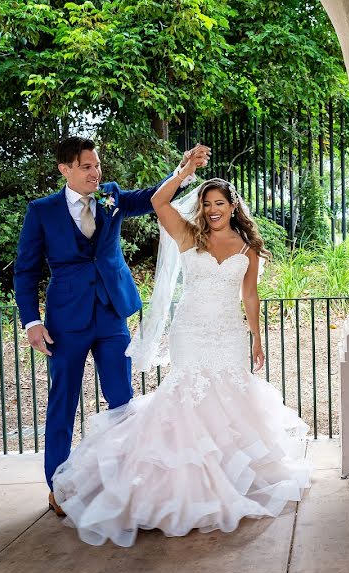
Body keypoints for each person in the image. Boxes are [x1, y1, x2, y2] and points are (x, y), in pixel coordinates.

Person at [50, 151, 311, 547]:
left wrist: (256, 336)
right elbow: (157, 202)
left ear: (233, 206)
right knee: (188, 398)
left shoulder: (247, 247)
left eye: (219, 204)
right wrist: (186, 172)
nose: (212, 210)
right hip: (190, 331)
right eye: (206, 204)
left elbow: (251, 294)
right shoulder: (190, 235)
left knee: (228, 401)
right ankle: (181, 483)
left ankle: (226, 477)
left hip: (228, 332)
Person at [14, 137, 207, 514]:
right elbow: (26, 270)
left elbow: (152, 197)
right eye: (86, 166)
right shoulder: (41, 211)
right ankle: (58, 486)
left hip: (111, 313)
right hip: (65, 320)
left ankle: (126, 480)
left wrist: (183, 172)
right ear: (64, 169)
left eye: (97, 165)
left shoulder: (112, 196)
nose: (95, 172)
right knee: (63, 399)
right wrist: (32, 322)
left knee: (122, 398)